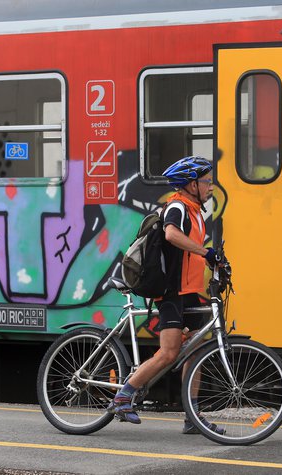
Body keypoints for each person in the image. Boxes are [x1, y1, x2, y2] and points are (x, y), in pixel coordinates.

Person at [108, 155, 225, 435]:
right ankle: (124, 396)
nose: (210, 186)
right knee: (170, 352)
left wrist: (214, 261)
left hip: (189, 291)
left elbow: (188, 249)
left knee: (196, 351)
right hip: (171, 291)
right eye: (206, 181)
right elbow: (172, 235)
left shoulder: (195, 209)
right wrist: (205, 251)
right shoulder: (178, 207)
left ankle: (192, 417)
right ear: (191, 184)